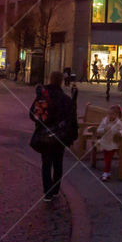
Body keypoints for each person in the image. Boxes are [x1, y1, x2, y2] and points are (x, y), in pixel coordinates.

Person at [29, 71, 78, 201]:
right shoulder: (65, 99)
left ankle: (47, 192)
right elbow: (71, 119)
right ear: (62, 81)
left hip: (44, 135)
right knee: (58, 163)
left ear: (50, 79)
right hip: (59, 136)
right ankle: (55, 189)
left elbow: (33, 115)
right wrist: (71, 135)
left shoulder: (43, 97)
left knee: (46, 163)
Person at [92, 104, 122, 181]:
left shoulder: (118, 122)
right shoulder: (104, 120)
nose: (110, 116)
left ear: (117, 115)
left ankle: (105, 173)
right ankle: (107, 172)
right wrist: (103, 130)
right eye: (109, 114)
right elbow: (99, 130)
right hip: (104, 141)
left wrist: (120, 133)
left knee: (108, 158)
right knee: (106, 156)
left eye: (112, 114)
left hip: (113, 142)